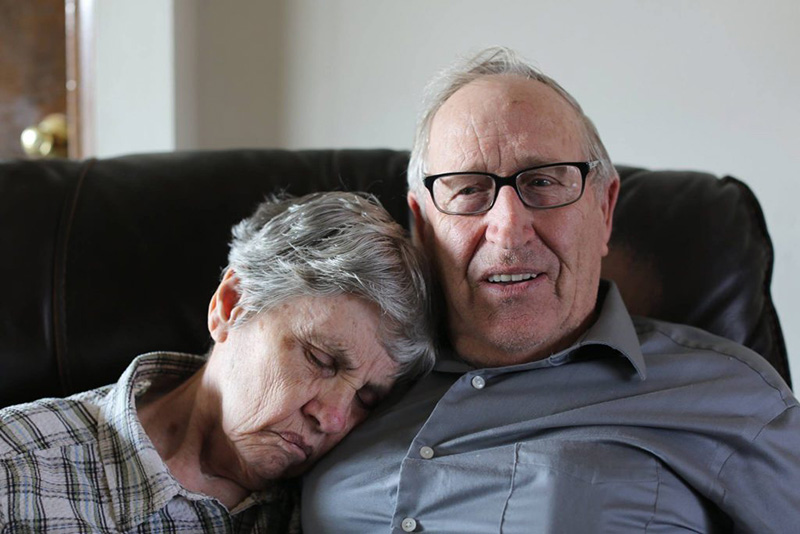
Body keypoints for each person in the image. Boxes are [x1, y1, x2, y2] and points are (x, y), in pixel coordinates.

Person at [302, 48, 800, 532]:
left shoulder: (728, 397)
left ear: (604, 211)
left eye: (542, 182)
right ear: (422, 227)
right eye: (470, 189)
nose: (509, 227)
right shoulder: (349, 382)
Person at [0, 192, 435, 533]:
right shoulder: (15, 463)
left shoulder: (341, 509)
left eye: (366, 398)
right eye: (321, 359)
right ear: (231, 305)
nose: (335, 419)